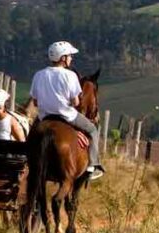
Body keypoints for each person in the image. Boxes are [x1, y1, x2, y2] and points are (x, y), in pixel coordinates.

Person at [29, 41, 104, 180]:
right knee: (93, 129)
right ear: (63, 58)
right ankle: (93, 165)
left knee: (32, 135)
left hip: (44, 117)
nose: (71, 58)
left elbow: (35, 102)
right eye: (69, 55)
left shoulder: (39, 75)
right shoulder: (70, 75)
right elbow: (76, 101)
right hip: (67, 116)